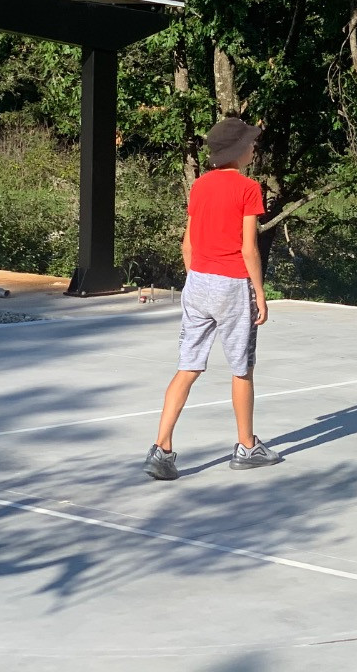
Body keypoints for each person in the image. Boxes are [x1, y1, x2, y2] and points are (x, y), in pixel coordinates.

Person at [143, 117, 282, 480]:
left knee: (188, 366)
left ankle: (161, 449)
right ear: (239, 150)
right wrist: (260, 293)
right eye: (250, 143)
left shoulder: (200, 185)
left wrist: (198, 278)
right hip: (233, 285)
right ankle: (247, 447)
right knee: (241, 368)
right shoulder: (249, 188)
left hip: (198, 283)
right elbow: (249, 248)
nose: (254, 147)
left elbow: (187, 245)